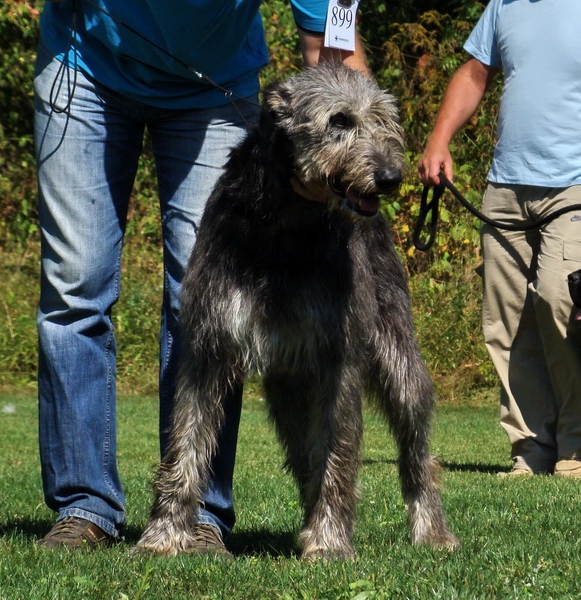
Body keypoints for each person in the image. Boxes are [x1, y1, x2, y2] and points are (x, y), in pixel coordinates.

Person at [34, 0, 366, 552]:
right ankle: (82, 505)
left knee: (203, 300)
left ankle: (199, 512)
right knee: (75, 284)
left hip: (213, 88)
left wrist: (361, 160)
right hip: (83, 66)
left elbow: (330, 53)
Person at [418, 0, 581, 478]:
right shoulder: (504, 4)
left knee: (561, 300)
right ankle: (530, 450)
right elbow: (474, 73)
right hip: (506, 185)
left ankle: (575, 450)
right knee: (506, 319)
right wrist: (439, 138)